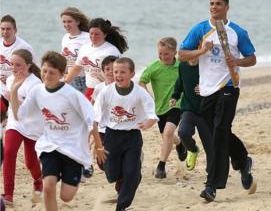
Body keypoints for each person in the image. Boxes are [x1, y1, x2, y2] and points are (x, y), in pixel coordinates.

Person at [179, 0, 257, 202]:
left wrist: (237, 63)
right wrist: (201, 51)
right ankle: (242, 160)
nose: (214, 7)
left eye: (218, 4)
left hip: (229, 85)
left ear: (227, 7)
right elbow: (182, 54)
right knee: (216, 132)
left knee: (220, 130)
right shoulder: (200, 29)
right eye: (211, 4)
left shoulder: (237, 32)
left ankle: (212, 185)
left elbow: (252, 58)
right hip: (206, 89)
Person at [9, 51, 105, 211]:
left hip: (73, 148)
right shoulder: (37, 91)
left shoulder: (72, 95)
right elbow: (19, 116)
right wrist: (13, 92)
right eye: (44, 71)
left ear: (61, 74)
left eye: (51, 73)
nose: (46, 76)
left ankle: (79, 170)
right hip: (50, 145)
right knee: (48, 185)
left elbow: (91, 120)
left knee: (66, 196)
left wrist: (99, 146)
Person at [94, 57, 158, 211]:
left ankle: (121, 206)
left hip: (132, 136)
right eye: (115, 71)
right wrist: (98, 145)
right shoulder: (106, 92)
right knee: (111, 172)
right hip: (111, 135)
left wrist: (148, 123)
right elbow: (94, 119)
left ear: (132, 73)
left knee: (130, 173)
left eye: (122, 72)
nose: (118, 75)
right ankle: (133, 173)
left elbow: (152, 113)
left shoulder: (139, 92)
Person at [139, 37, 186, 179]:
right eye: (160, 53)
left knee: (168, 133)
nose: (163, 57)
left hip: (177, 104)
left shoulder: (181, 66)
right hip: (159, 107)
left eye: (166, 54)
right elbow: (141, 82)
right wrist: (148, 98)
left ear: (174, 52)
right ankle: (180, 144)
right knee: (168, 136)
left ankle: (161, 166)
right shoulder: (154, 68)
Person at [1, 49, 42, 206]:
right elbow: (12, 108)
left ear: (29, 66)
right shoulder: (11, 79)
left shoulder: (35, 84)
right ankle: (8, 195)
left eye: (18, 65)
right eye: (12, 64)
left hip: (32, 125)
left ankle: (39, 181)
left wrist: (15, 91)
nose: (14, 68)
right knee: (9, 152)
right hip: (15, 123)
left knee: (30, 162)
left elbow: (25, 113)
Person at [65, 18, 128, 101]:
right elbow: (77, 68)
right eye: (91, 33)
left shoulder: (111, 51)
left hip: (107, 90)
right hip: (90, 90)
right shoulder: (85, 48)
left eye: (97, 34)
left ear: (104, 34)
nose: (93, 37)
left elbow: (119, 74)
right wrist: (64, 84)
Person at [169, 58, 214, 172]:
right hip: (188, 108)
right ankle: (193, 150)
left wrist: (205, 88)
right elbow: (180, 82)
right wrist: (175, 96)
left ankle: (211, 175)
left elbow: (218, 83)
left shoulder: (208, 64)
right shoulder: (183, 66)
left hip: (207, 111)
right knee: (183, 132)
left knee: (210, 146)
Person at [0, 15, 35, 112]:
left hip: (17, 89)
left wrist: (10, 79)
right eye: (2, 29)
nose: (5, 32)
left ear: (15, 30)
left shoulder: (24, 47)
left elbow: (32, 71)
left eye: (8, 29)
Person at [60, 7, 90, 93]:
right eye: (64, 22)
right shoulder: (65, 38)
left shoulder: (87, 37)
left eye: (69, 21)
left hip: (84, 80)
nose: (66, 24)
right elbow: (64, 60)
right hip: (70, 79)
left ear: (77, 21)